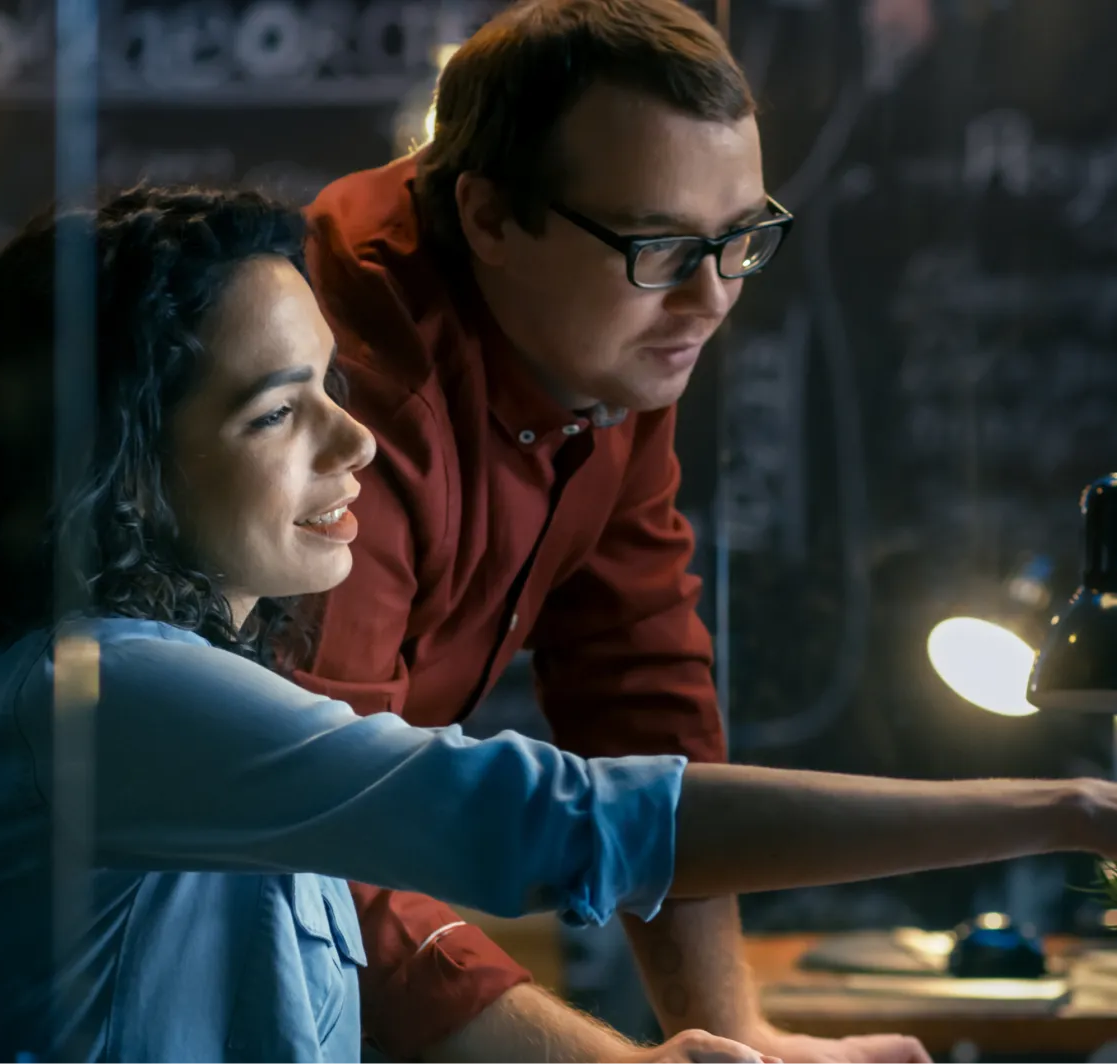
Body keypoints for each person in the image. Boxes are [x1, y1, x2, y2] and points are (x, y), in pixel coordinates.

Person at [0, 185, 1117, 1064]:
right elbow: (555, 819)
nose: (355, 449)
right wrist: (1091, 809)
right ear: (124, 461)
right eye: (284, 413)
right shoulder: (95, 696)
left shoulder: (194, 708)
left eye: (338, 393)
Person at [287, 1, 905, 1057]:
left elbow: (641, 692)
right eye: (662, 245)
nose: (712, 300)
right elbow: (319, 830)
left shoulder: (606, 328)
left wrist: (731, 1030)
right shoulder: (343, 392)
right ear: (487, 216)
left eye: (741, 239)